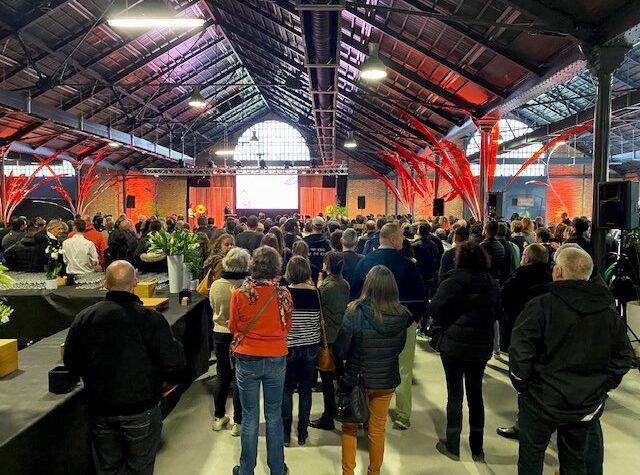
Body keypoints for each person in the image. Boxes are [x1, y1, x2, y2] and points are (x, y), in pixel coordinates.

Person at [510, 246, 633, 475]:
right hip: (584, 404)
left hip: (540, 400)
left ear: (558, 272)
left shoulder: (541, 306)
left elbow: (520, 350)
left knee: (531, 456)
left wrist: (523, 384)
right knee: (575, 461)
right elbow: (623, 357)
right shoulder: (608, 312)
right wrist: (601, 388)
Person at [64, 261, 185, 475]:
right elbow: (173, 361)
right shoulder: (151, 319)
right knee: (140, 467)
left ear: (105, 284)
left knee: (107, 468)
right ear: (136, 283)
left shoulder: (85, 317)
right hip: (140, 408)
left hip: (101, 407)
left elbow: (71, 363)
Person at [333, 265, 411, 475]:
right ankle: (374, 472)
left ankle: (347, 472)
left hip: (356, 378)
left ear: (368, 285)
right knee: (377, 430)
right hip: (385, 380)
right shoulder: (402, 316)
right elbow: (399, 347)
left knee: (349, 427)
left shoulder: (354, 311)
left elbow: (340, 350)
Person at [430, 242, 500, 462]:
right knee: (475, 394)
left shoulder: (452, 281)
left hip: (453, 344)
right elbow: (498, 310)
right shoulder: (491, 283)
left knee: (455, 395)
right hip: (481, 345)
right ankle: (477, 449)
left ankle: (453, 446)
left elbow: (435, 308)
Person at [352, 223, 426, 430]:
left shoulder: (365, 262)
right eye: (401, 236)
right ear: (393, 239)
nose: (404, 240)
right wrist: (413, 321)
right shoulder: (409, 265)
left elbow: (355, 296)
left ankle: (366, 412)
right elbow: (420, 296)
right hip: (402, 325)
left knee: (368, 369)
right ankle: (402, 415)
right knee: (404, 370)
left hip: (370, 325)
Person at [229, 246, 293, 475]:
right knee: (274, 414)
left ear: (252, 265)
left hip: (247, 358)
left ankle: (246, 469)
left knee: (249, 416)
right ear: (277, 266)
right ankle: (277, 468)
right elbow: (288, 327)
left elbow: (233, 326)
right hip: (276, 356)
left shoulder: (239, 293)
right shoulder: (284, 295)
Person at [210, 248, 250, 437]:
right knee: (239, 378)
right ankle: (238, 422)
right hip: (240, 335)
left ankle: (218, 417)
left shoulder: (217, 285)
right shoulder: (247, 286)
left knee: (222, 375)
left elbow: (212, 306)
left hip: (219, 333)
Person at [282, 256, 321, 446]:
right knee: (305, 391)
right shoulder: (316, 294)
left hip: (288, 347)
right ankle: (303, 431)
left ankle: (285, 432)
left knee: (286, 390)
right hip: (310, 347)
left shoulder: (284, 294)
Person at [310, 251, 350, 431]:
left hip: (327, 337)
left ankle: (328, 415)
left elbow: (317, 301)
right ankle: (345, 410)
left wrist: (318, 284)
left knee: (326, 379)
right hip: (341, 334)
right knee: (341, 375)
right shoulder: (345, 284)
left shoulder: (326, 287)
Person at [412, 223, 439, 297]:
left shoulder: (415, 245)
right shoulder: (433, 244)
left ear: (419, 231)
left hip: (419, 274)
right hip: (430, 274)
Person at [339, 228, 364, 299]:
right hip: (358, 298)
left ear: (341, 241)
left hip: (339, 299)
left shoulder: (334, 258)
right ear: (357, 242)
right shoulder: (363, 260)